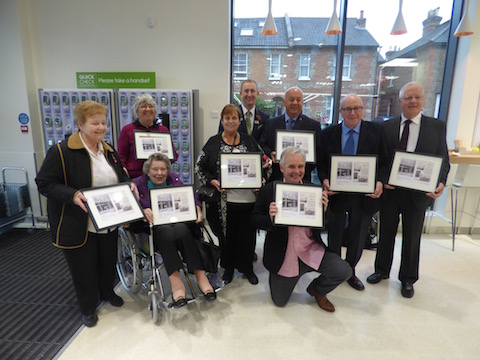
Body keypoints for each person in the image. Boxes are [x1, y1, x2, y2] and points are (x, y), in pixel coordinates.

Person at [35, 100, 134, 327]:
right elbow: (44, 183)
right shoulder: (62, 151)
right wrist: (72, 195)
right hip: (78, 222)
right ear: (80, 124)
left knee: (107, 261)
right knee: (83, 267)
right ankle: (88, 308)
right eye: (95, 123)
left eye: (104, 123)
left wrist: (129, 184)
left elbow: (120, 175)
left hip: (108, 220)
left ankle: (107, 292)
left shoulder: (108, 150)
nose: (101, 127)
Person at [367, 82, 450, 298]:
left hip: (418, 194)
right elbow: (381, 161)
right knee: (386, 234)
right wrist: (384, 180)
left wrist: (441, 182)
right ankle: (381, 270)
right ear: (400, 101)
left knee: (412, 238)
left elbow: (443, 160)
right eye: (408, 97)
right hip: (392, 192)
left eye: (417, 97)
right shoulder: (387, 127)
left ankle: (407, 279)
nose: (413, 101)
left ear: (423, 100)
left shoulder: (437, 127)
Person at [251, 147, 351, 311]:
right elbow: (254, 219)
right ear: (281, 167)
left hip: (311, 249)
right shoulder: (269, 190)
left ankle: (317, 290)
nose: (297, 171)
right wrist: (270, 219)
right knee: (279, 302)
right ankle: (283, 278)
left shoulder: (313, 190)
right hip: (284, 255)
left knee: (343, 271)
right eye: (291, 166)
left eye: (301, 166)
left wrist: (324, 212)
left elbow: (330, 222)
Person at [317, 94, 389, 291]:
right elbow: (321, 163)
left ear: (362, 109)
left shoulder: (376, 132)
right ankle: (334, 269)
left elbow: (384, 162)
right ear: (341, 112)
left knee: (357, 236)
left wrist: (380, 182)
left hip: (363, 196)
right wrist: (324, 179)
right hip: (336, 195)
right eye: (348, 109)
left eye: (356, 108)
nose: (352, 113)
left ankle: (350, 271)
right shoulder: (328, 134)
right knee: (335, 234)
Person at [133, 153, 216, 307]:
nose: (159, 173)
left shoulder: (174, 179)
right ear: (147, 170)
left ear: (168, 170)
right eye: (155, 169)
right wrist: (142, 210)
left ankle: (199, 274)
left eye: (163, 169)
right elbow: (129, 205)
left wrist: (197, 208)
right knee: (167, 231)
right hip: (153, 232)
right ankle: (176, 281)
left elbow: (192, 195)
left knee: (181, 228)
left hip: (178, 226)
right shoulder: (137, 184)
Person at [196, 104, 264, 285]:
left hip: (248, 200)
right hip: (224, 202)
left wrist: (261, 181)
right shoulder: (213, 142)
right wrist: (212, 181)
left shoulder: (249, 141)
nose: (230, 121)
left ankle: (247, 268)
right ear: (222, 120)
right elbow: (199, 166)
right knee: (227, 236)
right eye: (227, 118)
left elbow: (265, 163)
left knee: (247, 236)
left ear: (239, 120)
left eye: (234, 118)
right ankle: (228, 268)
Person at [259, 86, 321, 182]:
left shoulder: (313, 126)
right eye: (291, 99)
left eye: (298, 100)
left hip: (302, 179)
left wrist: (300, 168)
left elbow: (317, 154)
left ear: (302, 103)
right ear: (284, 102)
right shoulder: (271, 123)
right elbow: (262, 145)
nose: (295, 103)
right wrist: (270, 153)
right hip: (275, 177)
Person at [117, 93, 177, 178]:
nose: (148, 109)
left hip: (159, 177)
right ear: (137, 111)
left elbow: (174, 155)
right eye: (143, 106)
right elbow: (121, 156)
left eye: (151, 106)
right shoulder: (127, 130)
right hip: (135, 177)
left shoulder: (163, 130)